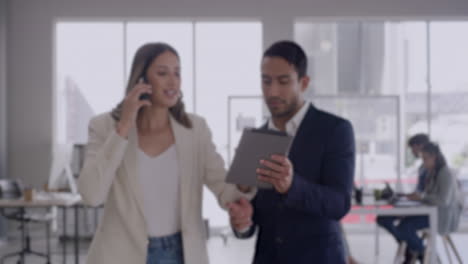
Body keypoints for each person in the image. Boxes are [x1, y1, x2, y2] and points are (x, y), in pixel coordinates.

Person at [78, 43, 254, 264]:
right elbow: (91, 194)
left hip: (181, 254)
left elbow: (224, 188)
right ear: (141, 80)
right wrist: (123, 126)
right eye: (162, 73)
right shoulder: (104, 126)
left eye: (177, 73)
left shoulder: (195, 129)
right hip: (120, 255)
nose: (173, 81)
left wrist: (245, 187)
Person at [227, 40, 356, 263]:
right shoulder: (257, 138)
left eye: (283, 81)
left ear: (304, 83)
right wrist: (243, 221)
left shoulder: (335, 130)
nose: (272, 91)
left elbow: (339, 204)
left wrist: (292, 186)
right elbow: (255, 215)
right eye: (266, 81)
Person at [393, 142, 464, 262]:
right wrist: (420, 197)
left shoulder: (445, 173)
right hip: (433, 213)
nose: (423, 162)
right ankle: (423, 251)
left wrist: (421, 198)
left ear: (434, 157)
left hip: (442, 217)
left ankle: (424, 252)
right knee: (404, 225)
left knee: (405, 226)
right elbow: (429, 195)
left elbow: (443, 200)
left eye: (425, 159)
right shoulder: (433, 173)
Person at [376, 134, 430, 261]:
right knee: (382, 219)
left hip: (423, 208)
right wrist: (405, 197)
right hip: (416, 204)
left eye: (413, 148)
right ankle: (408, 245)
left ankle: (420, 251)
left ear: (420, 146)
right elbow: (419, 191)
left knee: (403, 226)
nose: (412, 152)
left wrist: (408, 200)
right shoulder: (423, 167)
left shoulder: (431, 167)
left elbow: (426, 196)